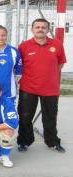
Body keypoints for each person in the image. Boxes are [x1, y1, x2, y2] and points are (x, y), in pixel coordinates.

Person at [16, 18, 67, 153]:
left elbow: (60, 64)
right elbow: (18, 66)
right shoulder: (24, 46)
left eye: (43, 27)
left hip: (50, 89)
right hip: (28, 87)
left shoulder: (57, 45)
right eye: (37, 27)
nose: (40, 29)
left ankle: (52, 142)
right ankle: (23, 141)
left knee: (50, 117)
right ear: (32, 29)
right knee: (25, 116)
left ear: (48, 29)